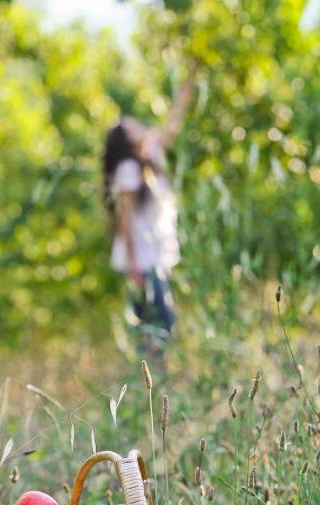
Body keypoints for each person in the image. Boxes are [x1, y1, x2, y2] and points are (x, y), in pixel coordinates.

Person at [103, 63, 197, 343]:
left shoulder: (150, 158)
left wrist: (189, 81)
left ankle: (152, 372)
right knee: (158, 320)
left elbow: (172, 122)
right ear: (126, 141)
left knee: (155, 319)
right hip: (141, 256)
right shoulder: (129, 170)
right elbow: (126, 218)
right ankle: (150, 375)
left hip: (154, 251)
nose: (140, 126)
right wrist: (133, 265)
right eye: (132, 127)